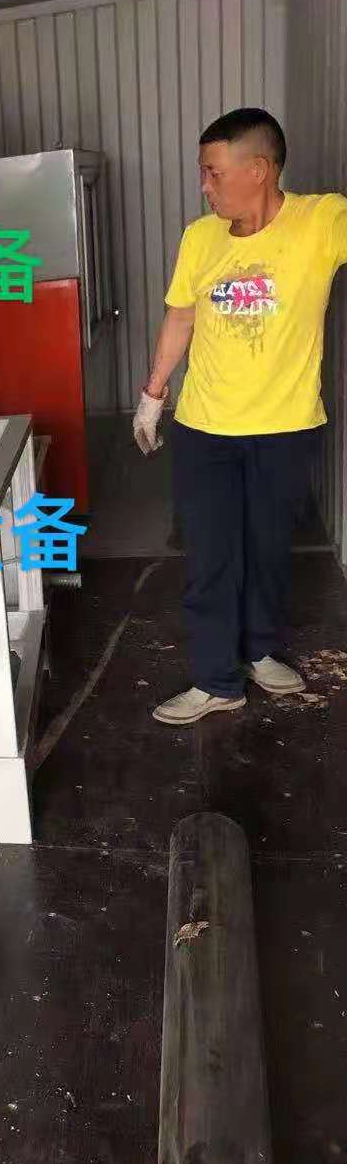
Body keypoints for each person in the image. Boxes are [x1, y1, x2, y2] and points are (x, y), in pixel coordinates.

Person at [133, 107, 347, 725]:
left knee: (268, 549)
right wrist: (153, 393)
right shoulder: (201, 238)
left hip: (285, 429)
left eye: (213, 172)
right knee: (212, 555)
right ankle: (216, 680)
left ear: (259, 169)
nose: (204, 185)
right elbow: (181, 315)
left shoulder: (321, 222)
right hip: (205, 429)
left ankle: (258, 651)